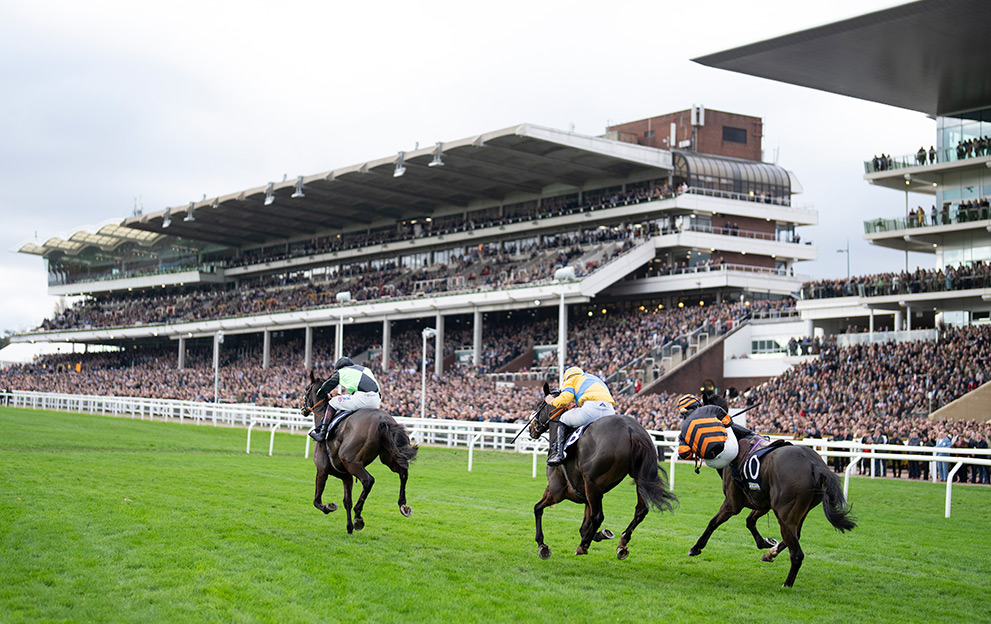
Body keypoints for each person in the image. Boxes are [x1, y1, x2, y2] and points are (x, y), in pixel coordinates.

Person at [543, 366, 615, 466]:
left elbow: (565, 398)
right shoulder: (593, 378)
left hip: (591, 410)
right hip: (610, 411)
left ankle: (559, 454)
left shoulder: (571, 380)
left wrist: (551, 401)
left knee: (563, 419)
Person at [308, 357, 382, 443]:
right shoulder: (365, 369)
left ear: (339, 368)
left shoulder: (341, 372)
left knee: (333, 402)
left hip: (362, 398)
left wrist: (323, 395)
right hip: (376, 400)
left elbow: (325, 387)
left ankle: (322, 433)